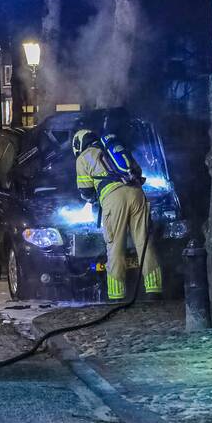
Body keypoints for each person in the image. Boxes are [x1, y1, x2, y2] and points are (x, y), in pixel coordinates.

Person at [73, 128, 162, 301]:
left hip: (114, 199)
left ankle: (116, 296)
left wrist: (96, 200)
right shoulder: (113, 148)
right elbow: (138, 171)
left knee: (115, 246)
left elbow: (85, 191)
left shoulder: (84, 157)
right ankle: (154, 290)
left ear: (78, 144)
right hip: (137, 193)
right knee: (144, 243)